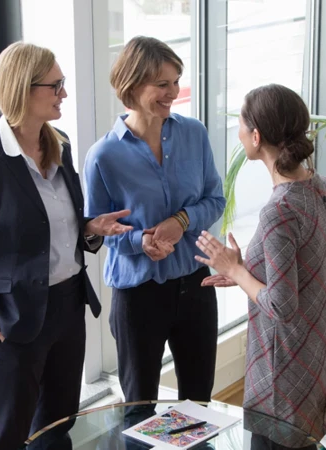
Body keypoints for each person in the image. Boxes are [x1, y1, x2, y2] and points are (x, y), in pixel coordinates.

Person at [0, 42, 133, 450]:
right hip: (14, 320)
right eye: (55, 85)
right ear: (23, 89)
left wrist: (90, 227)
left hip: (67, 307)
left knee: (57, 427)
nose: (63, 93)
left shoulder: (57, 143)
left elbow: (52, 226)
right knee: (9, 435)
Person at [83, 36, 226, 419]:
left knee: (198, 404)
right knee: (138, 407)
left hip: (196, 284)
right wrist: (139, 240)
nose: (173, 91)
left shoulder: (193, 133)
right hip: (138, 297)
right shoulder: (103, 156)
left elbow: (216, 199)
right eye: (162, 84)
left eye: (176, 80)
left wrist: (181, 222)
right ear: (131, 86)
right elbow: (96, 231)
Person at [194, 84, 326, 450]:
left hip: (282, 375)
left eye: (242, 125)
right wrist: (247, 270)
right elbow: (323, 267)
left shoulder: (279, 210)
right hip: (317, 357)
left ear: (256, 136)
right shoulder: (323, 189)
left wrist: (238, 271)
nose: (239, 133)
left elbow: (282, 306)